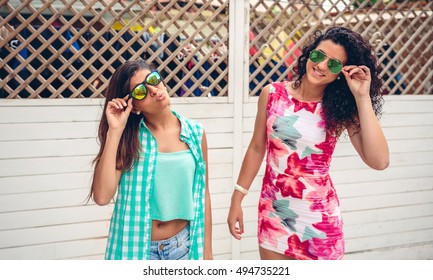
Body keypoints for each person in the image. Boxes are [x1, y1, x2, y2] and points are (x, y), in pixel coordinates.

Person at [227, 26, 389, 260]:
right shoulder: (271, 93)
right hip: (274, 215)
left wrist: (361, 96)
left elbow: (379, 161)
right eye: (319, 55)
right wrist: (236, 199)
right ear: (309, 53)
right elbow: (256, 148)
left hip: (319, 222)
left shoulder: (339, 110)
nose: (322, 65)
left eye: (333, 64)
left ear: (341, 73)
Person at [90, 60, 213, 260]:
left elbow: (203, 195)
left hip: (185, 249)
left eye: (153, 80)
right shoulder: (129, 139)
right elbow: (102, 196)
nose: (153, 90)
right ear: (134, 105)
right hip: (138, 250)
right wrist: (115, 131)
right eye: (140, 91)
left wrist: (207, 253)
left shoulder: (196, 134)